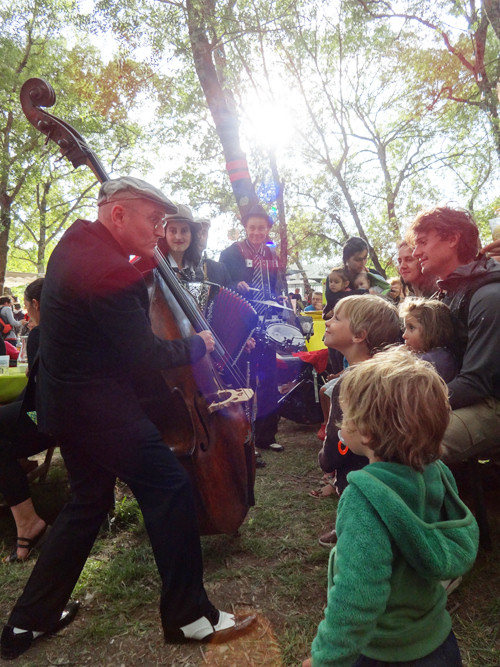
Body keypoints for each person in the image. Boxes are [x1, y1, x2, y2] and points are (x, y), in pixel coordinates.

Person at [0, 177, 255, 661]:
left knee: (87, 504)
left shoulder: (75, 243)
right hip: (96, 407)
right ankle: (188, 615)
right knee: (169, 486)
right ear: (118, 215)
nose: (161, 231)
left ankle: (25, 624)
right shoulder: (105, 268)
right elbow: (143, 355)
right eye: (153, 220)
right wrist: (195, 344)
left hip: (65, 402)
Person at [303, 346, 479, 667]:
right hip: (438, 642)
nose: (341, 424)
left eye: (345, 416)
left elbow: (358, 597)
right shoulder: (436, 472)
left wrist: (326, 658)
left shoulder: (364, 497)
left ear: (366, 434)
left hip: (384, 654)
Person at [409, 206, 500, 462]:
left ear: (452, 238)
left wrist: (409, 401)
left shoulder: (488, 295)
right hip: (461, 393)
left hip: (491, 402)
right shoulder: (448, 292)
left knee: (408, 439)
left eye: (423, 242)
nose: (416, 253)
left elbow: (476, 383)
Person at [316, 295, 401, 545]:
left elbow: (337, 438)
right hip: (393, 474)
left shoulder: (350, 383)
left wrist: (326, 461)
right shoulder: (388, 372)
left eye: (336, 318)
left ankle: (353, 530)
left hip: (358, 476)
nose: (328, 321)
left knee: (359, 510)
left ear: (359, 335)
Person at [219, 203, 286, 453]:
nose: (257, 232)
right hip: (240, 325)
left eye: (262, 228)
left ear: (268, 229)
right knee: (243, 380)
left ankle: (266, 436)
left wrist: (279, 299)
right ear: (245, 228)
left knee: (269, 380)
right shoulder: (230, 253)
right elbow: (221, 285)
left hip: (266, 324)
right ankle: (242, 437)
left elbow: (276, 286)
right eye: (252, 228)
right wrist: (237, 284)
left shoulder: (271, 255)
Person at [0, 278, 54, 564]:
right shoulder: (67, 329)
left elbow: (37, 402)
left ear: (34, 304)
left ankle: (29, 525)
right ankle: (28, 523)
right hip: (58, 417)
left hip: (44, 419)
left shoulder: (41, 334)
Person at [399, 297, 457, 383]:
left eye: (411, 328)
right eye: (405, 328)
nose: (404, 335)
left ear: (431, 331)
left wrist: (400, 357)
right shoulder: (442, 355)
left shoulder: (429, 361)